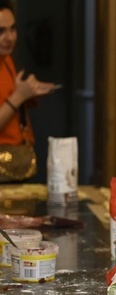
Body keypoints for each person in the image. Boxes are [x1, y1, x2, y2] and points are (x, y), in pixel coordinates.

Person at [0, 0, 56, 181]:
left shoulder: (6, 59)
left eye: (12, 29)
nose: (9, 37)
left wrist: (29, 91)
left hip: (18, 157)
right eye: (0, 31)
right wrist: (19, 95)